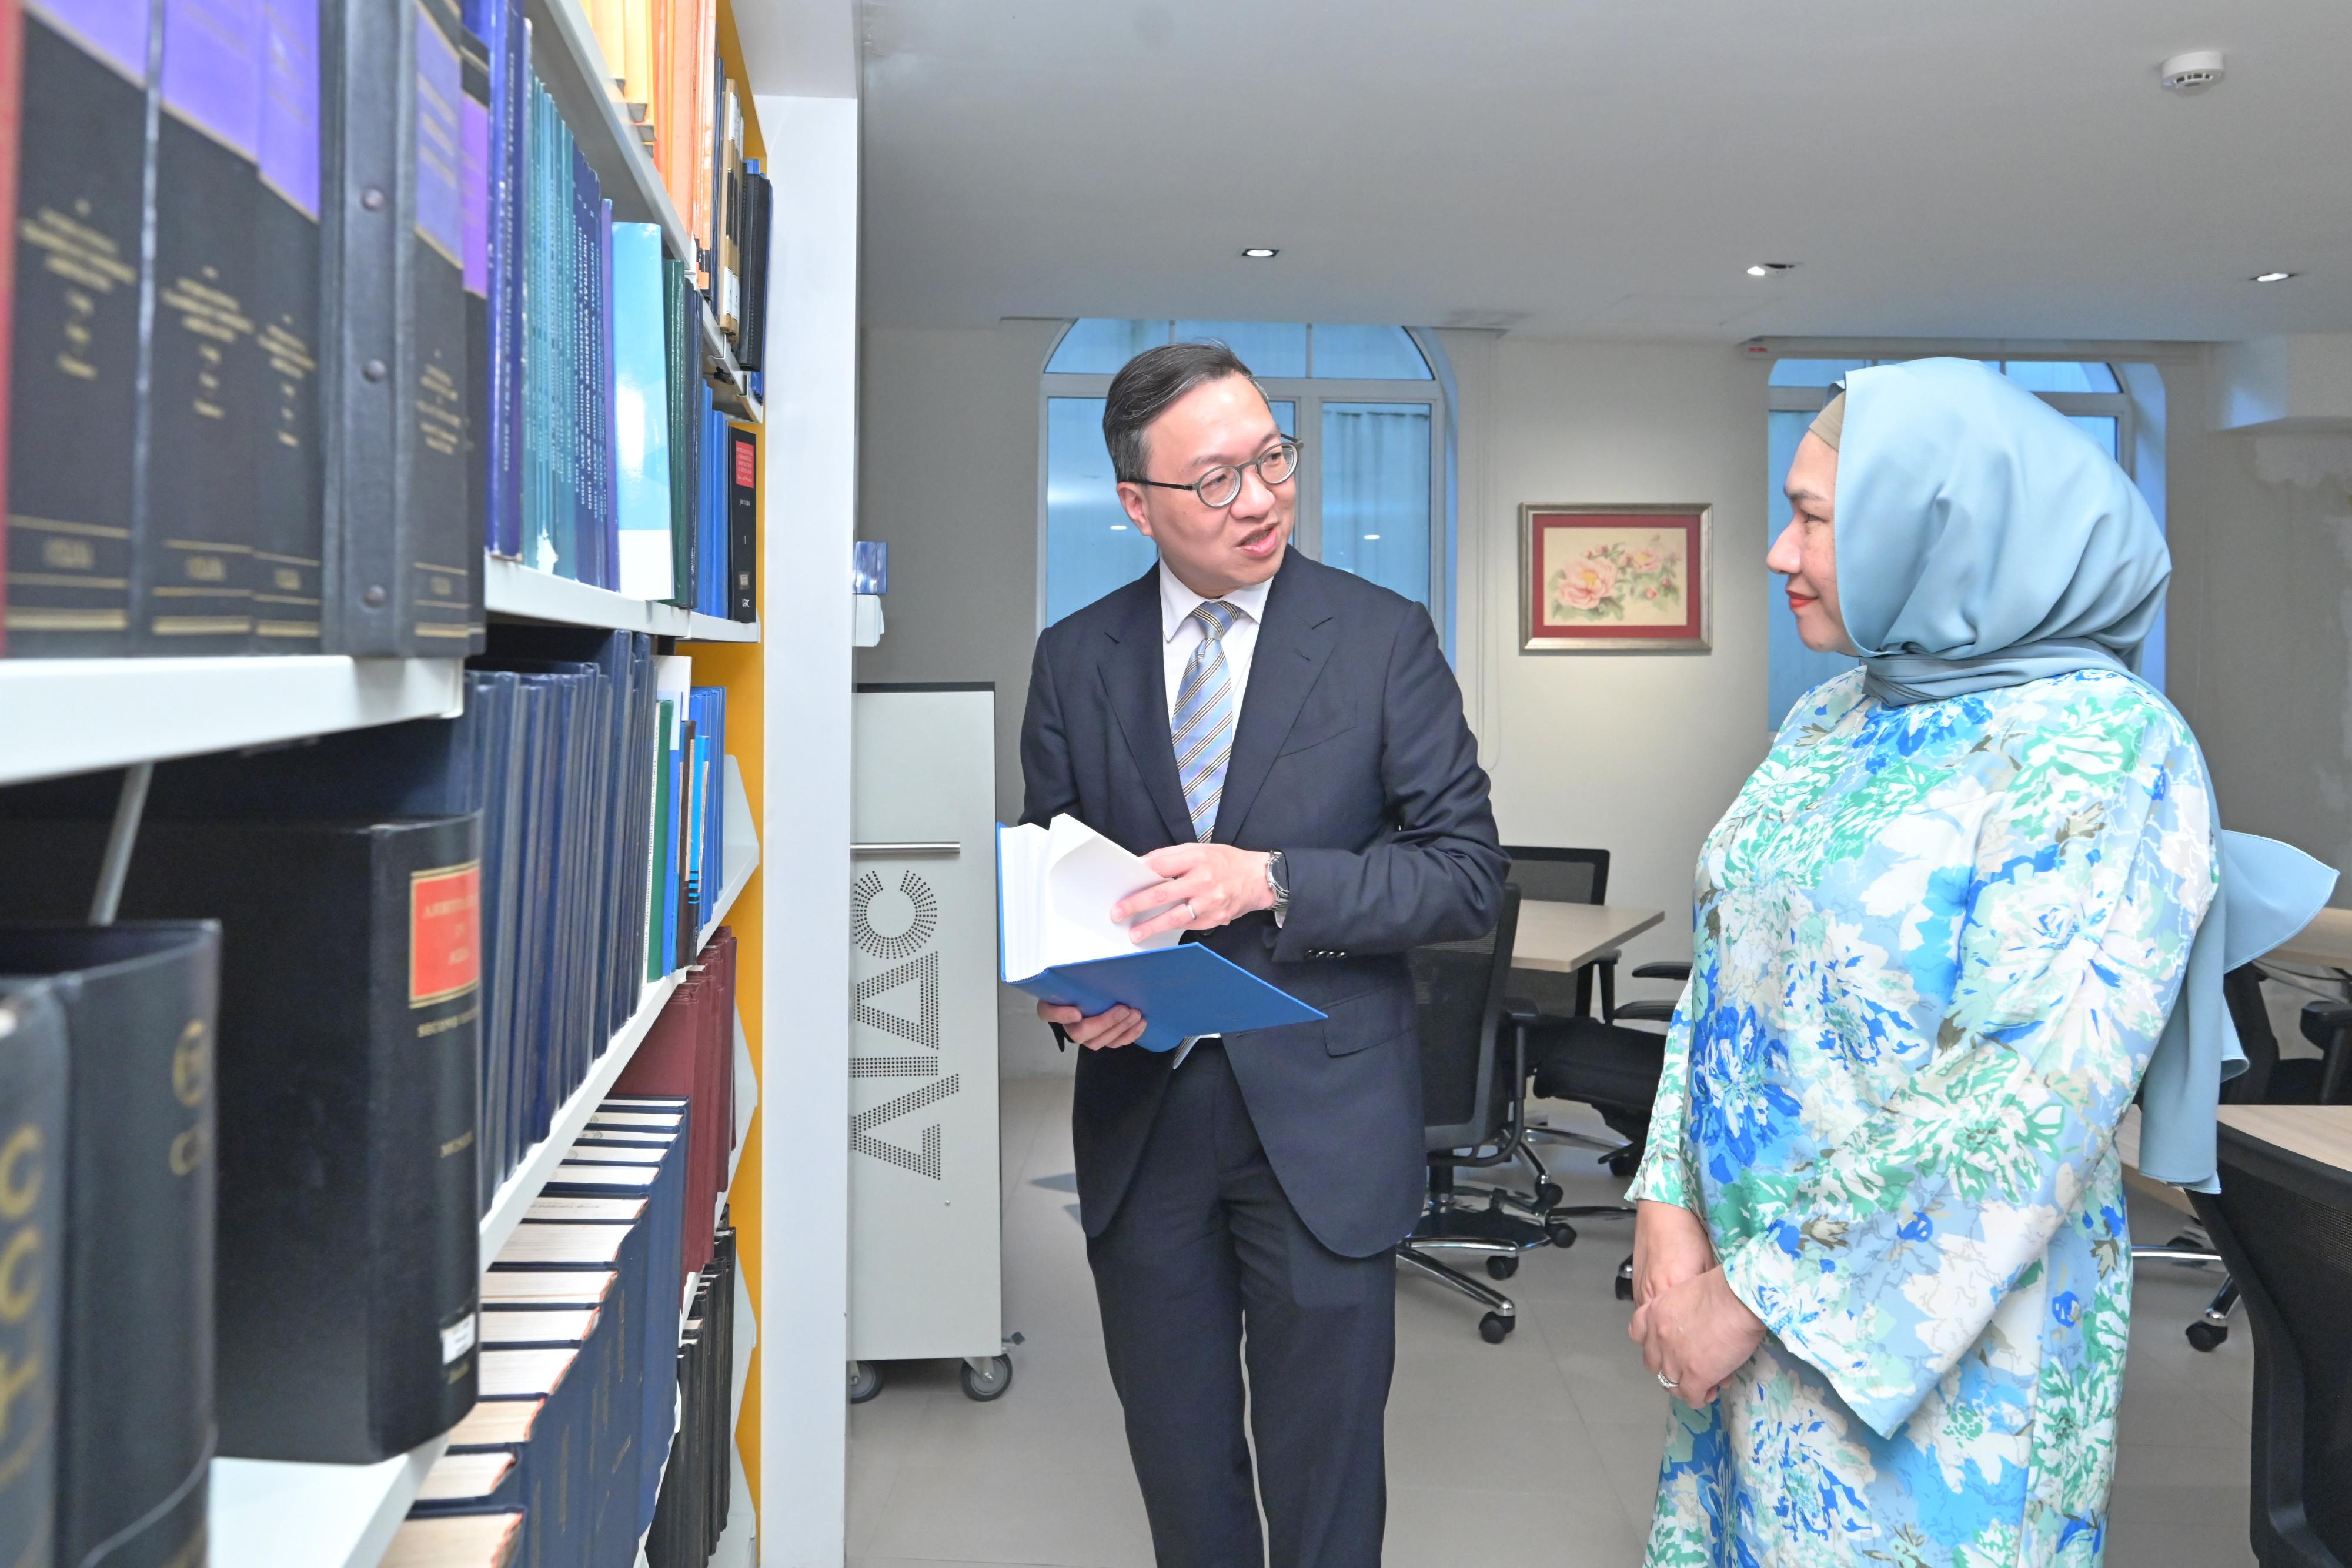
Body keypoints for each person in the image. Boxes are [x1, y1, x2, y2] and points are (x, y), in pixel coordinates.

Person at [1623, 357, 2326, 1566]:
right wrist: (1664, 1200)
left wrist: (1748, 1300)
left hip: (1932, 1334)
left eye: (1809, 519)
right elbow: (1725, 967)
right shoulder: (1831, 713)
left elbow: (2023, 1091)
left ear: (1930, 527)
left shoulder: (2105, 748)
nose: (1775, 554)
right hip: (1734, 1298)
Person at [1019, 340, 1504, 1566]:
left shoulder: (1381, 636)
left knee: (1326, 1474)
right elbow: (1054, 892)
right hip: (1143, 1126)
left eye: (1272, 458)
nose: (1261, 498)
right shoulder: (1074, 660)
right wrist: (1074, 1004)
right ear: (1138, 503)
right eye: (1217, 477)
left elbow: (1464, 873)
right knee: (1180, 1470)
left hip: (1326, 1120)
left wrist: (1273, 878)